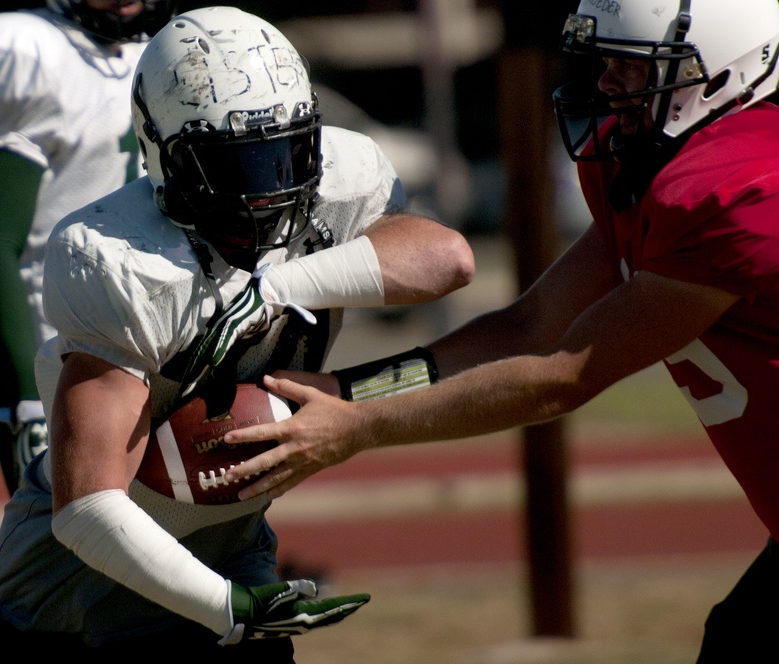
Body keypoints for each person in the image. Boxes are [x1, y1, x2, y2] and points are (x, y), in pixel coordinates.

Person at [222, 0, 779, 660]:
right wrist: (350, 393)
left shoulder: (744, 181)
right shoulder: (645, 163)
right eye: (607, 63)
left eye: (632, 67)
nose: (606, 83)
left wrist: (360, 429)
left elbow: (563, 373)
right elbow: (530, 326)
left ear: (725, 71)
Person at [0, 6, 475, 661]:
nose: (268, 192)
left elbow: (447, 258)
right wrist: (227, 609)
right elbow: (86, 506)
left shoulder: (340, 178)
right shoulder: (118, 258)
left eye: (285, 156)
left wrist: (279, 288)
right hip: (67, 609)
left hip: (229, 559)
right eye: (236, 167)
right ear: (168, 159)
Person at [0, 0, 180, 495]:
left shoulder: (165, 50)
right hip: (62, 364)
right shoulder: (24, 51)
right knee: (77, 561)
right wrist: (27, 394)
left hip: (160, 350)